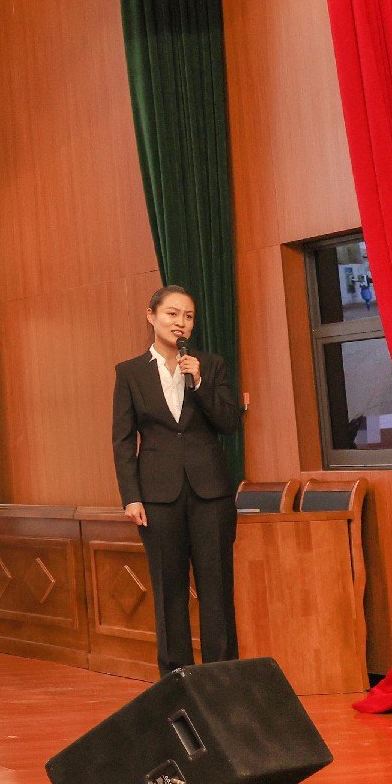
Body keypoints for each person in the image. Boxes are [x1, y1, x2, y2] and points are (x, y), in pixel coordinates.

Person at [111, 284, 244, 678]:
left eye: (188, 316)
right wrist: (131, 496)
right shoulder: (130, 373)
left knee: (216, 588)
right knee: (169, 590)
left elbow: (229, 422)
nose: (180, 322)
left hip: (211, 494)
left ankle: (221, 678)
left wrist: (199, 384)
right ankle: (175, 678)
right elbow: (122, 440)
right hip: (157, 496)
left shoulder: (210, 365)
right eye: (172, 314)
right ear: (151, 316)